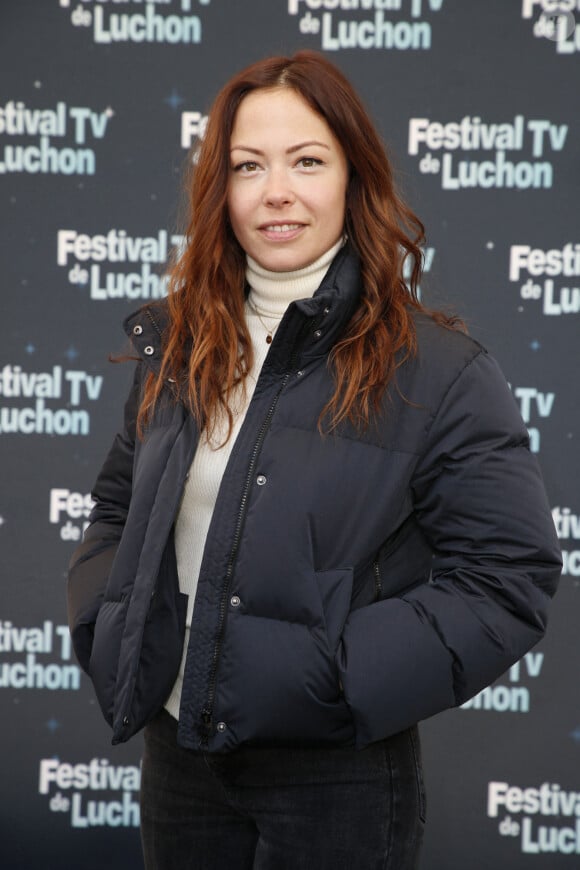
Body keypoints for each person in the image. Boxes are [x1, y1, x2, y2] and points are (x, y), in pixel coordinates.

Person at [67, 51, 562, 870]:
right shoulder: (181, 348)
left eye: (307, 161)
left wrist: (340, 680)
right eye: (248, 166)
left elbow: (507, 573)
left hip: (340, 779)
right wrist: (107, 629)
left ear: (352, 177)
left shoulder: (439, 370)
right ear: (220, 190)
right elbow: (116, 513)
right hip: (179, 761)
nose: (277, 191)